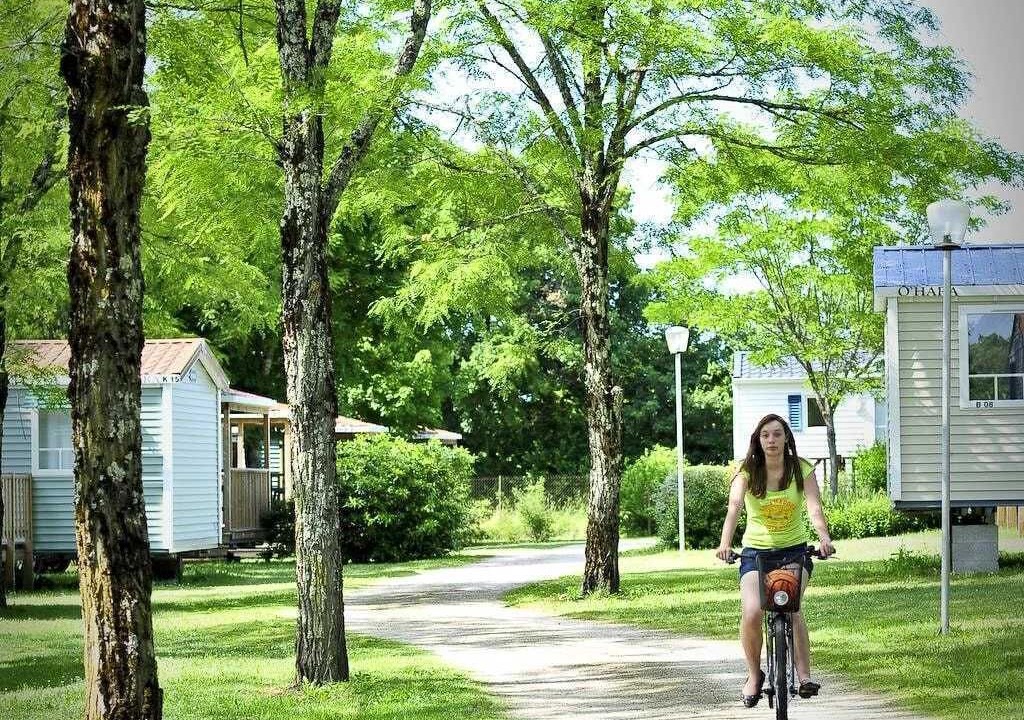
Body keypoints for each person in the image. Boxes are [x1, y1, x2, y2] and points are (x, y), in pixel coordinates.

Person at [715, 413, 835, 708]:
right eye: (766, 435)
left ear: (786, 438)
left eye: (777, 434)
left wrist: (823, 538)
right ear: (758, 439)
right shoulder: (746, 471)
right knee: (753, 612)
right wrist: (725, 544)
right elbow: (733, 509)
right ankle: (754, 676)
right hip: (756, 554)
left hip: (795, 551)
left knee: (791, 608)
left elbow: (814, 507)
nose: (771, 440)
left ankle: (804, 676)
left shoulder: (801, 469)